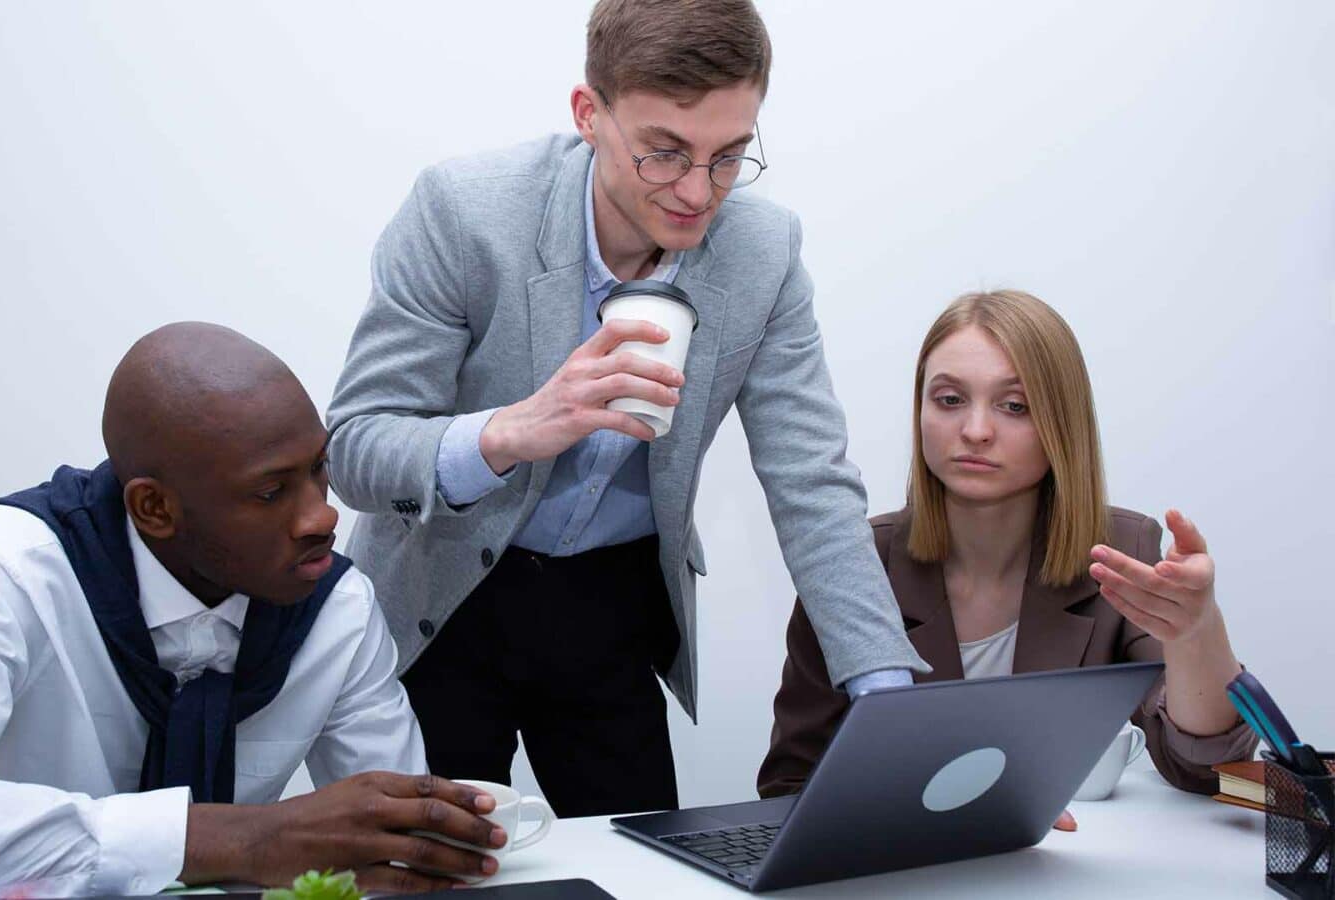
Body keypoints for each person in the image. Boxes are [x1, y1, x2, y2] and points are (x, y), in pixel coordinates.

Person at [325, 0, 927, 819]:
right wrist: (507, 433)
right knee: (432, 867)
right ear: (589, 115)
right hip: (444, 598)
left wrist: (887, 700)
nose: (697, 192)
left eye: (729, 157)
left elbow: (811, 481)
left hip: (612, 608)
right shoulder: (465, 212)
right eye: (665, 153)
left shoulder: (765, 250)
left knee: (642, 869)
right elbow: (356, 446)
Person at [0, 323, 505, 898]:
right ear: (153, 508)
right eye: (270, 492)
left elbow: (392, 851)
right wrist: (234, 838)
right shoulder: (9, 570)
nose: (322, 516)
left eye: (318, 471)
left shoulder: (336, 607)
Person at [758, 290, 1256, 821]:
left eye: (1014, 406)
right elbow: (791, 783)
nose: (976, 431)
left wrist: (1198, 631)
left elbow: (1202, 769)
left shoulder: (1122, 550)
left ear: (1062, 425)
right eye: (949, 400)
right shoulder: (853, 561)